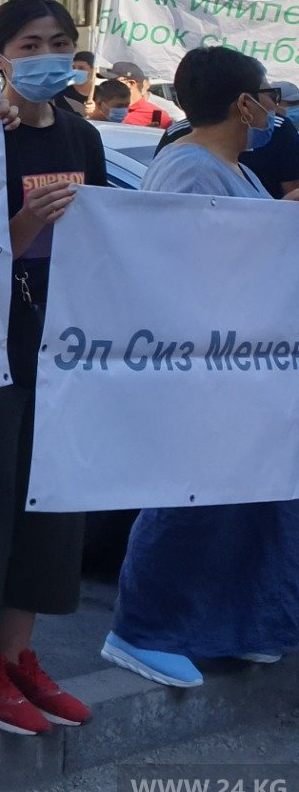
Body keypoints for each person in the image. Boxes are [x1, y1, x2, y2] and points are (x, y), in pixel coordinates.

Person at [0, 0, 103, 738]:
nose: (47, 56)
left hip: (60, 345)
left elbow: (104, 238)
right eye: (30, 45)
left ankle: (16, 655)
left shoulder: (81, 135)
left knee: (50, 501)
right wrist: (26, 224)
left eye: (60, 42)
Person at [102, 46, 299, 687]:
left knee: (255, 502)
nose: (274, 110)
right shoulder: (189, 169)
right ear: (243, 103)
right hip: (204, 369)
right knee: (190, 503)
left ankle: (246, 626)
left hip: (251, 368)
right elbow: (178, 269)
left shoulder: (232, 168)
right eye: (268, 97)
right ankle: (141, 631)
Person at [154, 74, 299, 200]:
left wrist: (283, 207)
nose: (275, 107)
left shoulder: (230, 165)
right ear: (245, 103)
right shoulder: (194, 174)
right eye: (272, 95)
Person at [104, 62, 169, 129]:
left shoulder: (160, 117)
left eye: (113, 81)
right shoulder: (102, 109)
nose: (108, 85)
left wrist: (146, 133)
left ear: (131, 83)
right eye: (108, 81)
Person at [58, 50, 97, 117]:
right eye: (73, 68)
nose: (76, 71)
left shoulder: (101, 94)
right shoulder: (61, 93)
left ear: (93, 70)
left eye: (81, 68)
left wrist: (96, 112)